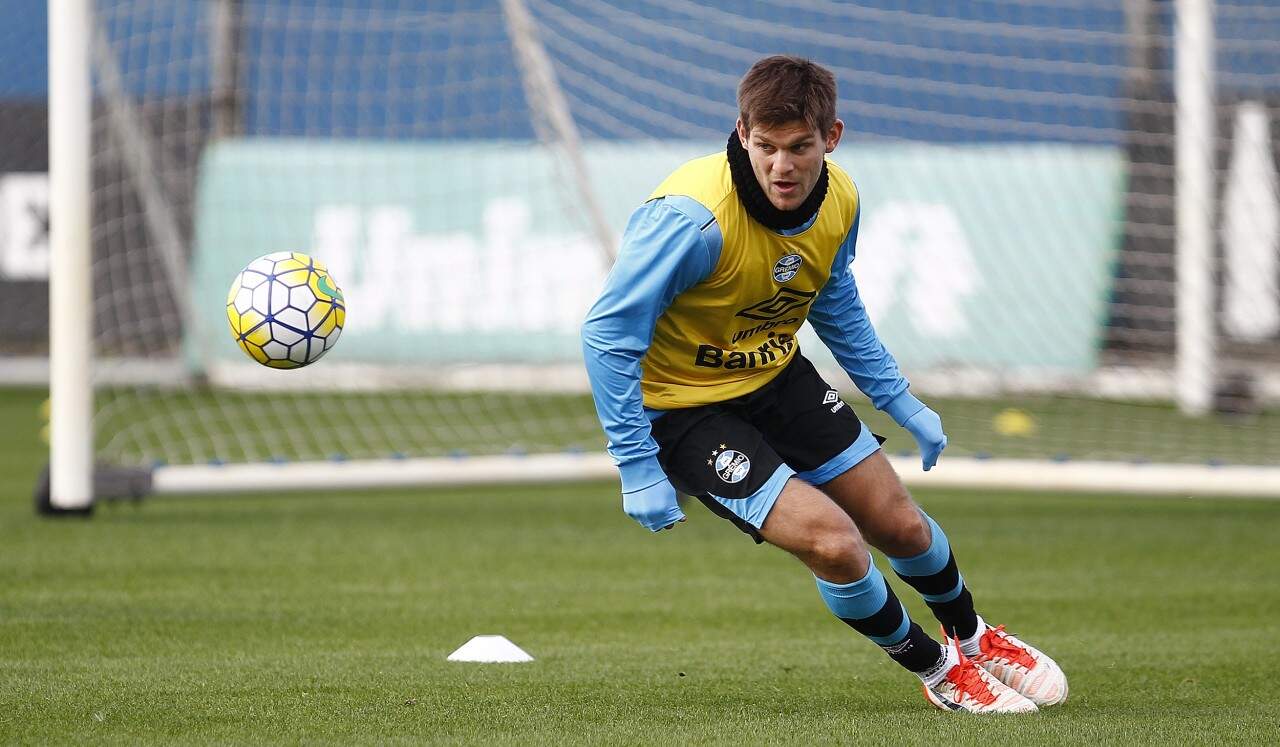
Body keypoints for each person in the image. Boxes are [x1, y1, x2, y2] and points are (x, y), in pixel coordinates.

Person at [580, 55, 1066, 713]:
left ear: (831, 137)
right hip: (684, 411)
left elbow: (832, 298)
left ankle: (975, 635)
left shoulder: (841, 198)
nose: (782, 165)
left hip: (777, 379)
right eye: (766, 146)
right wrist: (637, 463)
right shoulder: (691, 220)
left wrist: (899, 398)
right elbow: (608, 334)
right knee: (835, 542)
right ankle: (940, 670)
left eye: (799, 147)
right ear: (742, 132)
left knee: (901, 523)